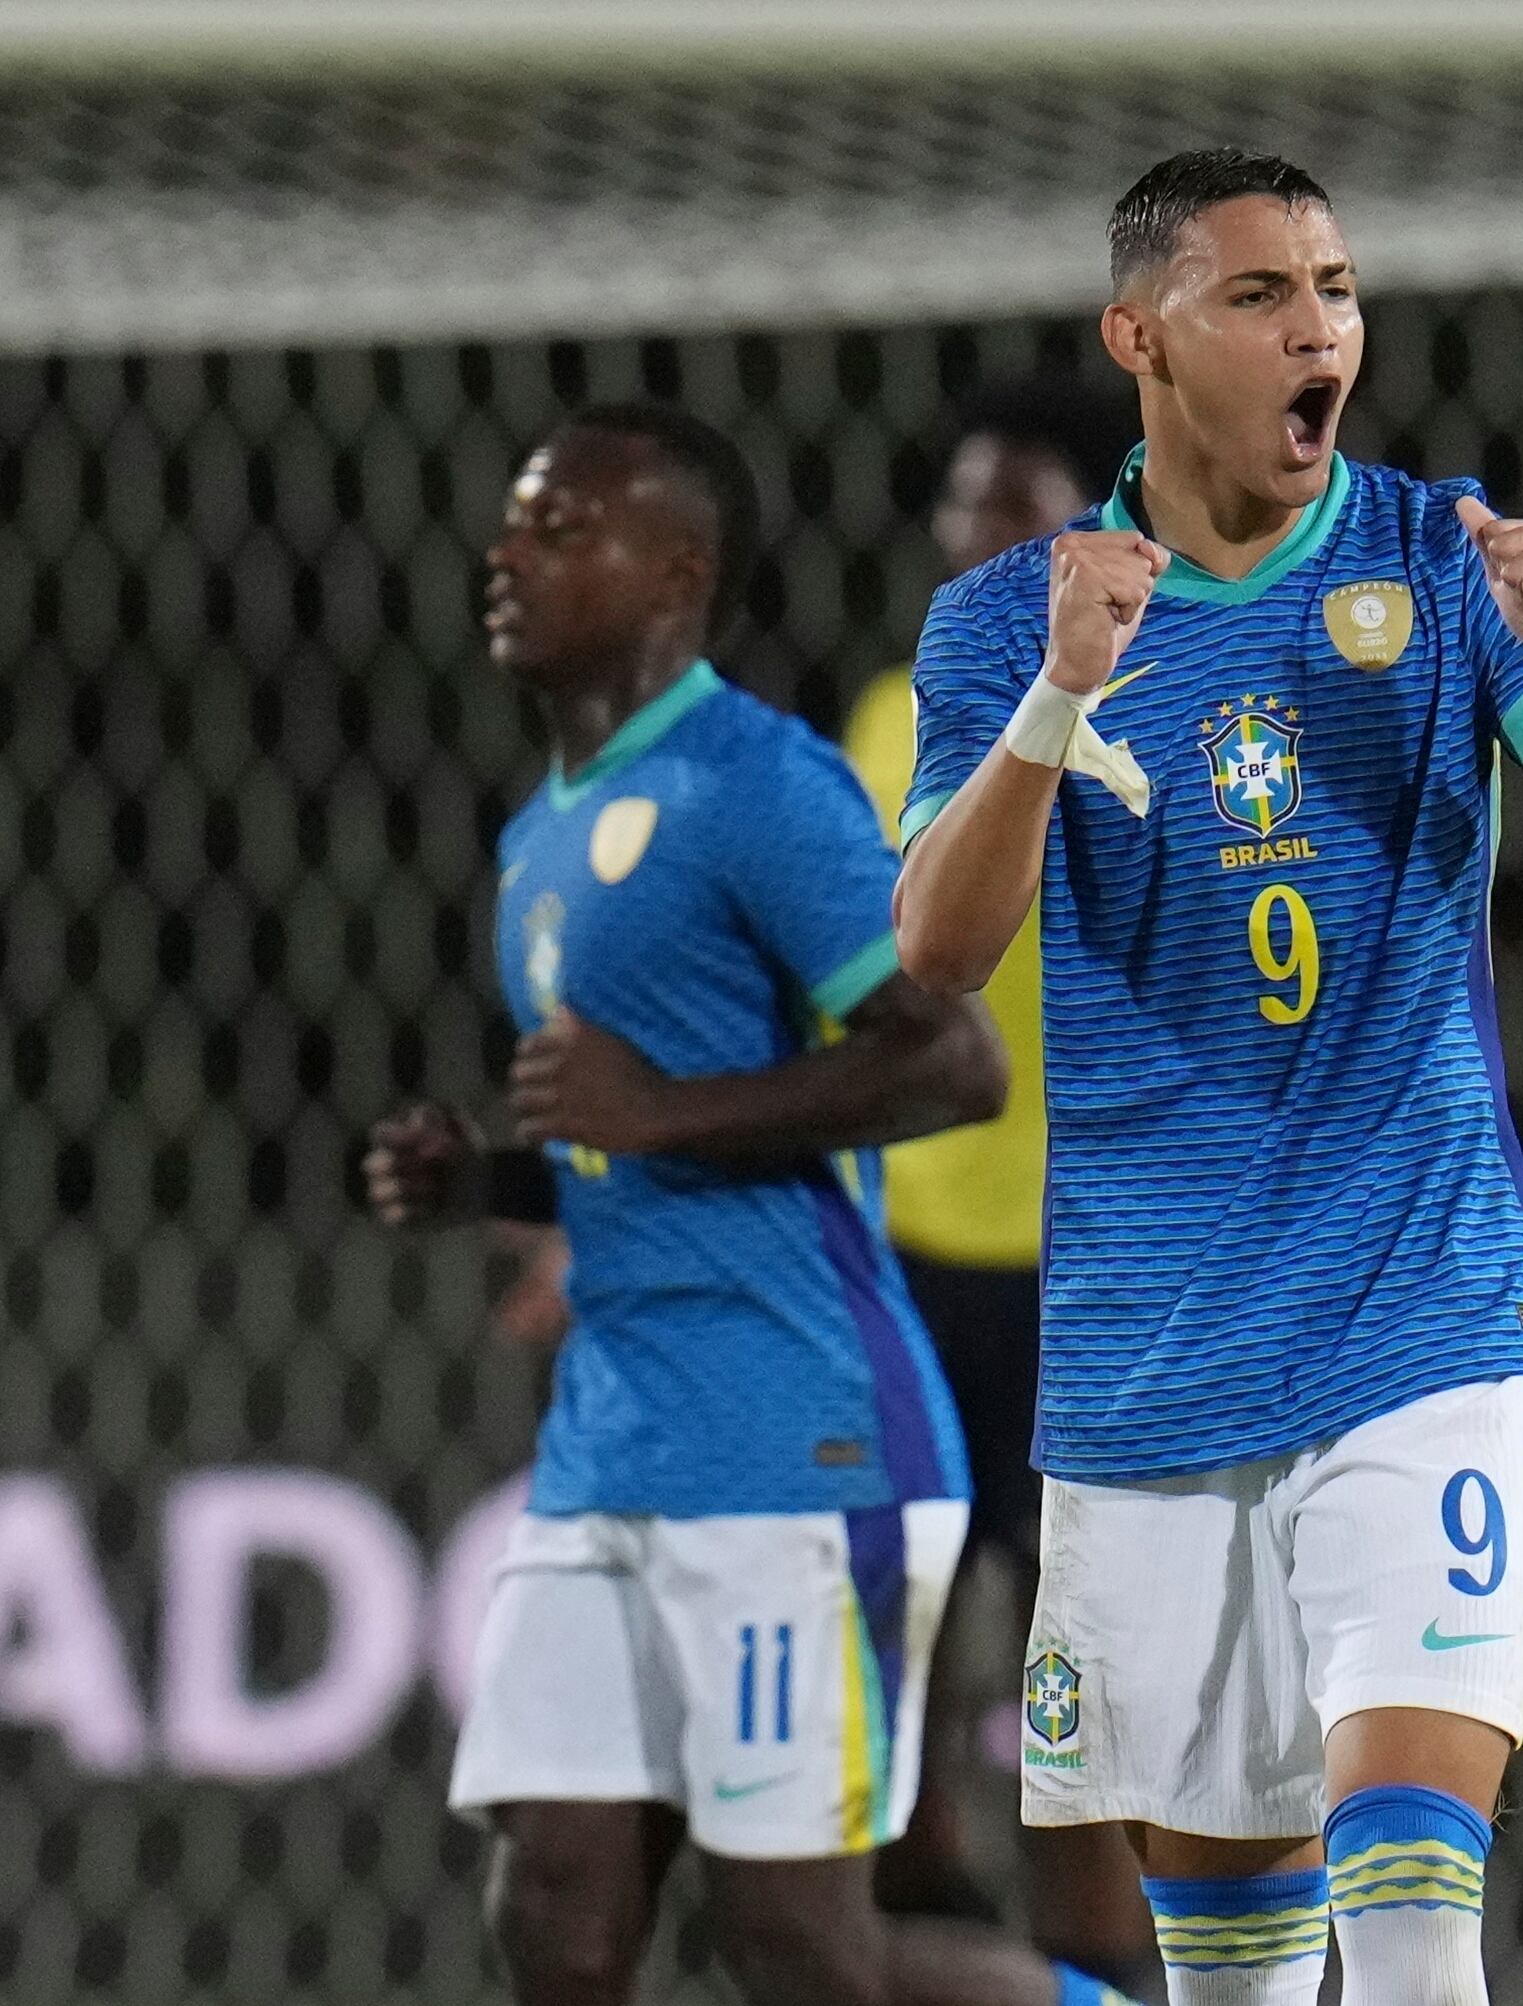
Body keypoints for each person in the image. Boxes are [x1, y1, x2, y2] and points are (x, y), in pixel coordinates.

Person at [892, 150, 1523, 2006]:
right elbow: (937, 956)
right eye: (1263, 293)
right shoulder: (1007, 628)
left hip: (1415, 1323)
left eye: (1337, 289)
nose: (1321, 329)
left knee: (1417, 1884)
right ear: (1142, 337)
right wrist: (1058, 704)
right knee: (1234, 1974)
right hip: (1152, 1364)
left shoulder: (1442, 565)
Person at [363, 402, 1133, 2006]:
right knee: (553, 1909)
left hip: (803, 1428)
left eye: (561, 527)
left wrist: (659, 1112)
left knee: (797, 1945)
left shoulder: (763, 784)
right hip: (612, 1437)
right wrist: (496, 1180)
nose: (509, 554)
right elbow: (638, 1143)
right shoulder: (541, 837)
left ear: (677, 572)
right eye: (513, 524)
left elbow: (954, 1064)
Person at [842, 384, 1162, 1991]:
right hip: (909, 1259)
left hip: (1086, 1271)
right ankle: (928, 1935)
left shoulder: (1152, 710)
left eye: (1021, 510)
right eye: (967, 509)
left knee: (1077, 1676)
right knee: (889, 1636)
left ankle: (1094, 1973)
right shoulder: (893, 715)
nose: (985, 536)